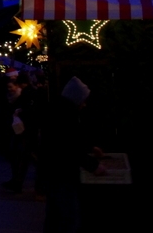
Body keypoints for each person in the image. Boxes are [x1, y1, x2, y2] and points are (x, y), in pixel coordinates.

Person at [42, 76, 106, 232]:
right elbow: (70, 147)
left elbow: (70, 142)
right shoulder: (67, 115)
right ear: (76, 98)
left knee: (55, 215)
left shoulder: (59, 110)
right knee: (69, 218)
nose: (84, 104)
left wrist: (90, 148)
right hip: (63, 174)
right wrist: (93, 165)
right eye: (83, 100)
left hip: (53, 172)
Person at [1, 73, 37, 193]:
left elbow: (26, 110)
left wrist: (19, 111)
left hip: (21, 130)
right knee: (21, 156)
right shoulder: (31, 92)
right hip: (25, 129)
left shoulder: (26, 94)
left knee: (19, 156)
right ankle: (17, 180)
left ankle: (17, 181)